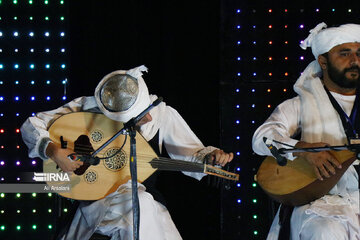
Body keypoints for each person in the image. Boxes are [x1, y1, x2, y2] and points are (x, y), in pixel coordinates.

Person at [20, 65, 234, 240]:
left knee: (143, 205)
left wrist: (209, 158)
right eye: (139, 117)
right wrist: (53, 150)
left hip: (145, 197)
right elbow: (32, 124)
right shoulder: (90, 107)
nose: (149, 119)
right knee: (139, 207)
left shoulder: (161, 113)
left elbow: (191, 151)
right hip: (97, 200)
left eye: (147, 111)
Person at [252, 23, 360, 240]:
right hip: (321, 203)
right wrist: (302, 150)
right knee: (325, 232)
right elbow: (261, 139)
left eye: (358, 54)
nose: (355, 61)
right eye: (344, 53)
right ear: (323, 61)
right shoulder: (300, 104)